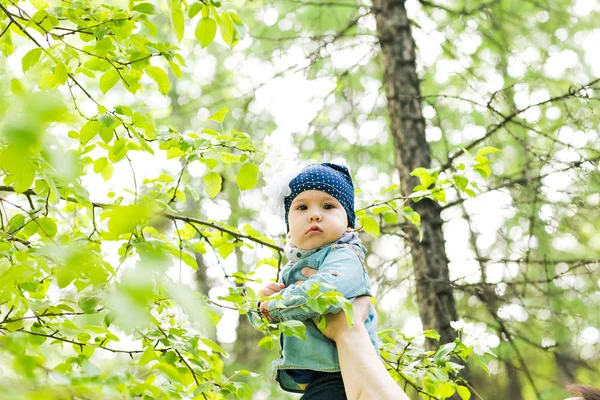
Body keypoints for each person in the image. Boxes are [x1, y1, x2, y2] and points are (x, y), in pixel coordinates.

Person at [248, 162, 379, 399]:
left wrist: (276, 305)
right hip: (320, 378)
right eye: (302, 207)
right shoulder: (294, 268)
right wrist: (262, 305)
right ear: (289, 229)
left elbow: (323, 292)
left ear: (348, 222)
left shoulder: (346, 255)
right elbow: (272, 317)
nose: (315, 214)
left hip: (346, 373)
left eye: (328, 206)